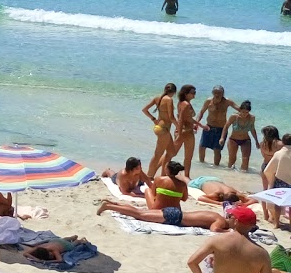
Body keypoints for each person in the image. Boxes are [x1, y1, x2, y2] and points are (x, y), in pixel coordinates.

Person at [97, 162, 226, 229]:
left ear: (168, 170)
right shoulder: (182, 184)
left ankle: (111, 205)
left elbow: (153, 193)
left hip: (171, 213)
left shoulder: (160, 179)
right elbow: (185, 199)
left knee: (140, 212)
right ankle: (110, 206)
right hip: (175, 213)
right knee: (139, 213)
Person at [143, 82, 178, 178]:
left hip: (159, 127)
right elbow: (171, 117)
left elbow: (145, 109)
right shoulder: (169, 100)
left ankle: (164, 173)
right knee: (158, 154)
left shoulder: (158, 98)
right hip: (163, 129)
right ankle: (149, 176)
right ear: (174, 92)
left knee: (172, 152)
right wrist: (178, 127)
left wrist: (153, 119)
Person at [198, 86, 237, 168]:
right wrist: (196, 123)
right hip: (209, 127)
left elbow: (239, 109)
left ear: (223, 93)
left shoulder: (227, 101)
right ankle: (201, 164)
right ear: (212, 93)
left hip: (221, 129)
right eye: (215, 92)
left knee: (217, 150)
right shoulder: (209, 101)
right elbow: (201, 112)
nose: (217, 94)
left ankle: (216, 167)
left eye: (219, 93)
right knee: (202, 146)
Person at [262, 130, 291, 230]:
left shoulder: (279, 153)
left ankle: (276, 223)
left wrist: (271, 179)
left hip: (280, 181)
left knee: (277, 203)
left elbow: (268, 169)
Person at [175, 84, 200, 174]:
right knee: (187, 156)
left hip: (185, 131)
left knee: (171, 153)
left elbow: (188, 118)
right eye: (192, 93)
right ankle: (186, 175)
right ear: (186, 93)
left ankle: (162, 171)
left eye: (195, 92)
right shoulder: (186, 104)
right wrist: (180, 134)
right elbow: (181, 119)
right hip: (186, 132)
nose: (194, 95)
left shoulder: (181, 103)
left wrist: (200, 125)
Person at [224, 101, 256, 171]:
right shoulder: (233, 117)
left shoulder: (252, 118)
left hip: (246, 140)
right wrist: (222, 138)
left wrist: (256, 141)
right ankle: (229, 175)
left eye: (247, 112)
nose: (244, 114)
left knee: (246, 159)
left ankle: (244, 177)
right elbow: (226, 127)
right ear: (240, 110)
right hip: (233, 140)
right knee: (232, 159)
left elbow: (252, 129)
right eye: (243, 112)